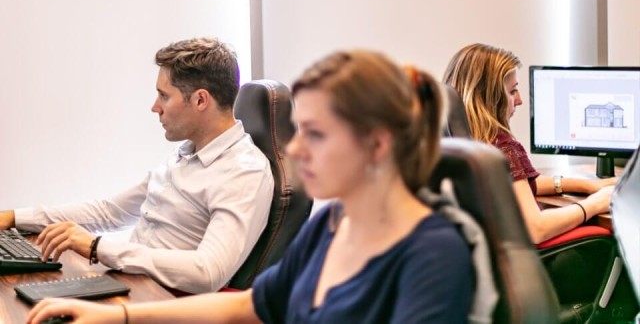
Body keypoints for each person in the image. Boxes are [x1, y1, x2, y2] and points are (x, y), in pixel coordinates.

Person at [27, 50, 474, 323]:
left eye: (316, 135)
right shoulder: (332, 228)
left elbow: (214, 281)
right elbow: (247, 307)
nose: (294, 152)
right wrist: (118, 316)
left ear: (375, 145)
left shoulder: (432, 253)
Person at [0, 37, 274, 294]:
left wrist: (97, 247)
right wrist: (14, 217)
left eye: (164, 96)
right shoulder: (187, 154)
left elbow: (208, 272)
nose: (155, 107)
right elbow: (110, 212)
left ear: (201, 100)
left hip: (164, 304)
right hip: (131, 284)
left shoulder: (243, 171)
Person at [443, 43, 615, 244]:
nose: (520, 100)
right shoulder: (501, 146)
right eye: (512, 91)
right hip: (538, 260)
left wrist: (587, 186)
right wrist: (595, 204)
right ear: (490, 97)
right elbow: (536, 229)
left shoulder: (460, 140)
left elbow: (519, 183)